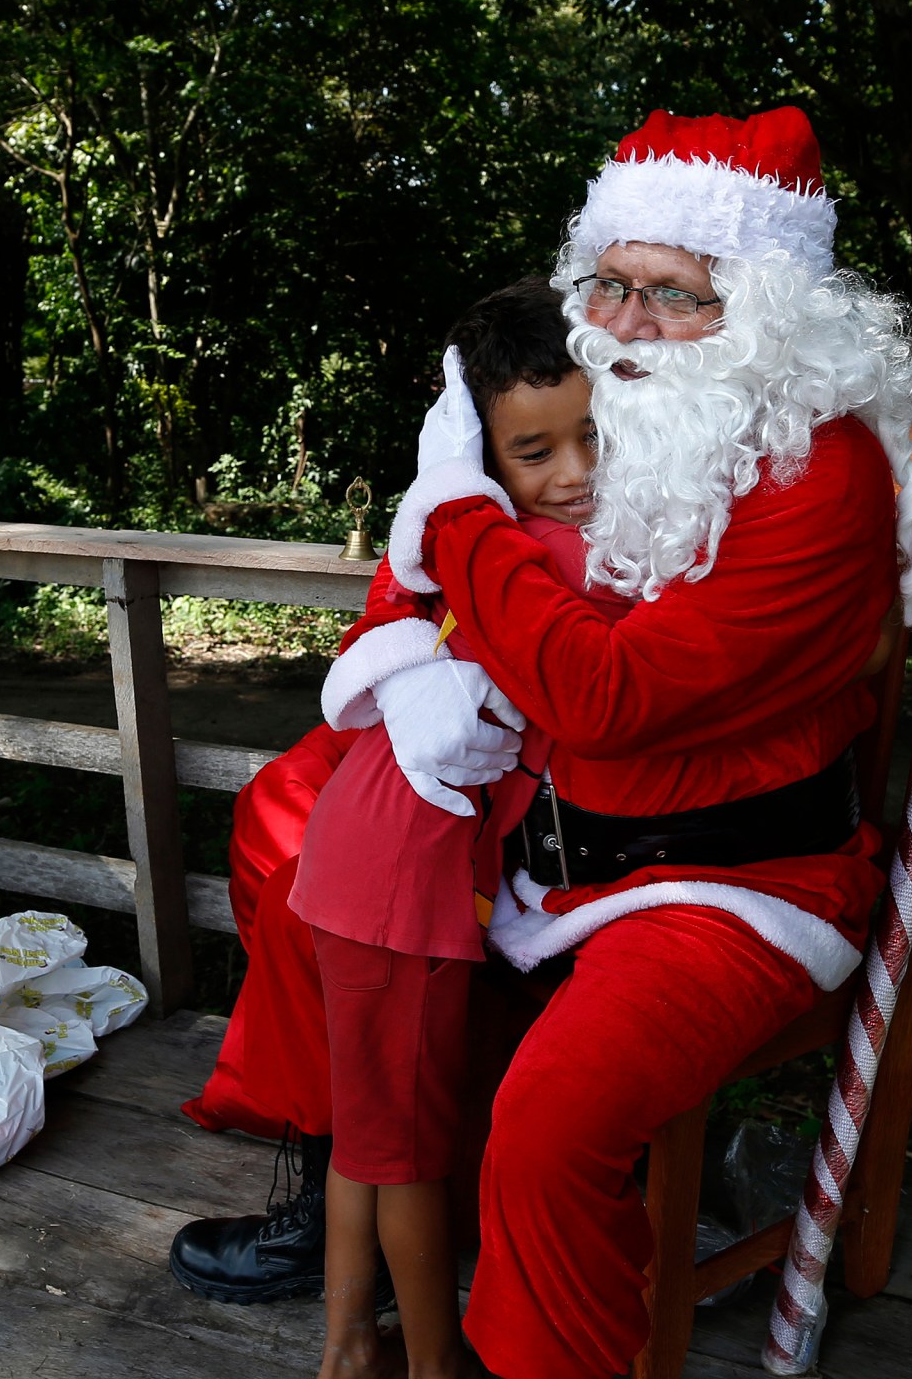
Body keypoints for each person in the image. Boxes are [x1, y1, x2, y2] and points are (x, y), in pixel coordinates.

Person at [173, 106, 912, 1379]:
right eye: (611, 285)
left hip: (723, 880)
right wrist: (403, 661)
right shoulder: (602, 399)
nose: (628, 323)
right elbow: (409, 586)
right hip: (538, 821)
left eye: (677, 295)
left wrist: (460, 514)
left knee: (552, 1116)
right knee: (290, 821)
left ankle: (526, 1343)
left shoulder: (821, 473)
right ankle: (363, 1168)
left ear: (766, 312)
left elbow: (606, 695)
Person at [288, 278, 628, 1379]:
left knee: (369, 1139)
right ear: (482, 461)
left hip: (356, 864)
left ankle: (348, 1346)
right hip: (405, 891)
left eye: (594, 436)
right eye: (537, 453)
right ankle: (428, 1366)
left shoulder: (463, 550)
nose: (575, 476)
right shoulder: (542, 558)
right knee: (412, 1160)